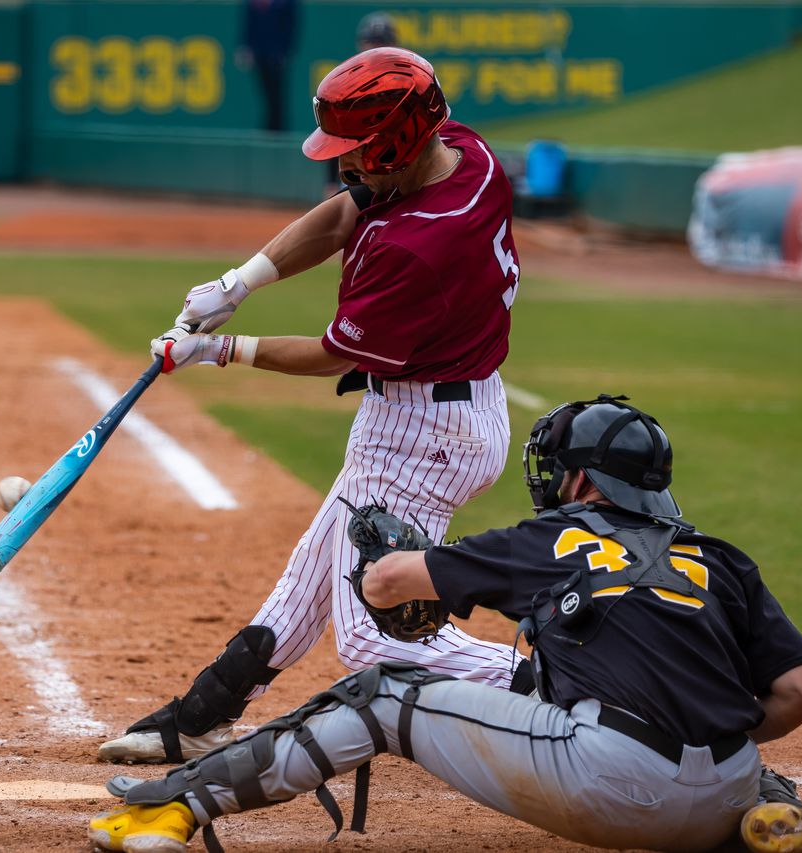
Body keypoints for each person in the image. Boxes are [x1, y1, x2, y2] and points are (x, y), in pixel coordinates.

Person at [86, 396, 802, 853]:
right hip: (729, 791)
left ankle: (174, 808)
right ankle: (771, 814)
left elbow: (395, 579)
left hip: (609, 780)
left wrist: (375, 565)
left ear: (579, 479)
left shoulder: (548, 538)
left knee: (380, 691)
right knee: (614, 693)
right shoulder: (720, 557)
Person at [98, 47, 522, 765]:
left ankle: (564, 682)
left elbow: (336, 351)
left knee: (373, 634)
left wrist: (219, 350)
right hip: (436, 414)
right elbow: (338, 218)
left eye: (356, 151)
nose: (343, 166)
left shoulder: (415, 246)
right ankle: (207, 710)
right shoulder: (462, 152)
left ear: (394, 142)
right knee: (308, 577)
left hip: (426, 434)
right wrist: (238, 282)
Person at [324, 12, 399, 194]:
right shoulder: (346, 85)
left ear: (393, 46)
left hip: (395, 174)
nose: (374, 49)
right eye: (370, 43)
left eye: (380, 43)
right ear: (360, 45)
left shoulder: (404, 84)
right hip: (357, 175)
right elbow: (336, 136)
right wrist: (330, 182)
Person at [236, 0, 299, 131]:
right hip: (260, 55)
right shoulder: (253, 3)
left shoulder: (287, 3)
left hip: (276, 57)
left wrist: (285, 52)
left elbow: (291, 26)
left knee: (277, 98)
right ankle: (268, 131)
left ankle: (278, 131)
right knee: (266, 96)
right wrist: (246, 47)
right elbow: (248, 24)